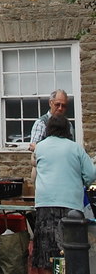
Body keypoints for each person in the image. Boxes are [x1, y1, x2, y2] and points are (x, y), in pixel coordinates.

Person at [31, 114, 95, 271]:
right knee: (70, 252)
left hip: (45, 204)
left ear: (49, 129)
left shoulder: (40, 147)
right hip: (70, 206)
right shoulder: (75, 147)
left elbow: (34, 172)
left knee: (46, 255)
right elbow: (91, 174)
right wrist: (82, 181)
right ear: (67, 129)